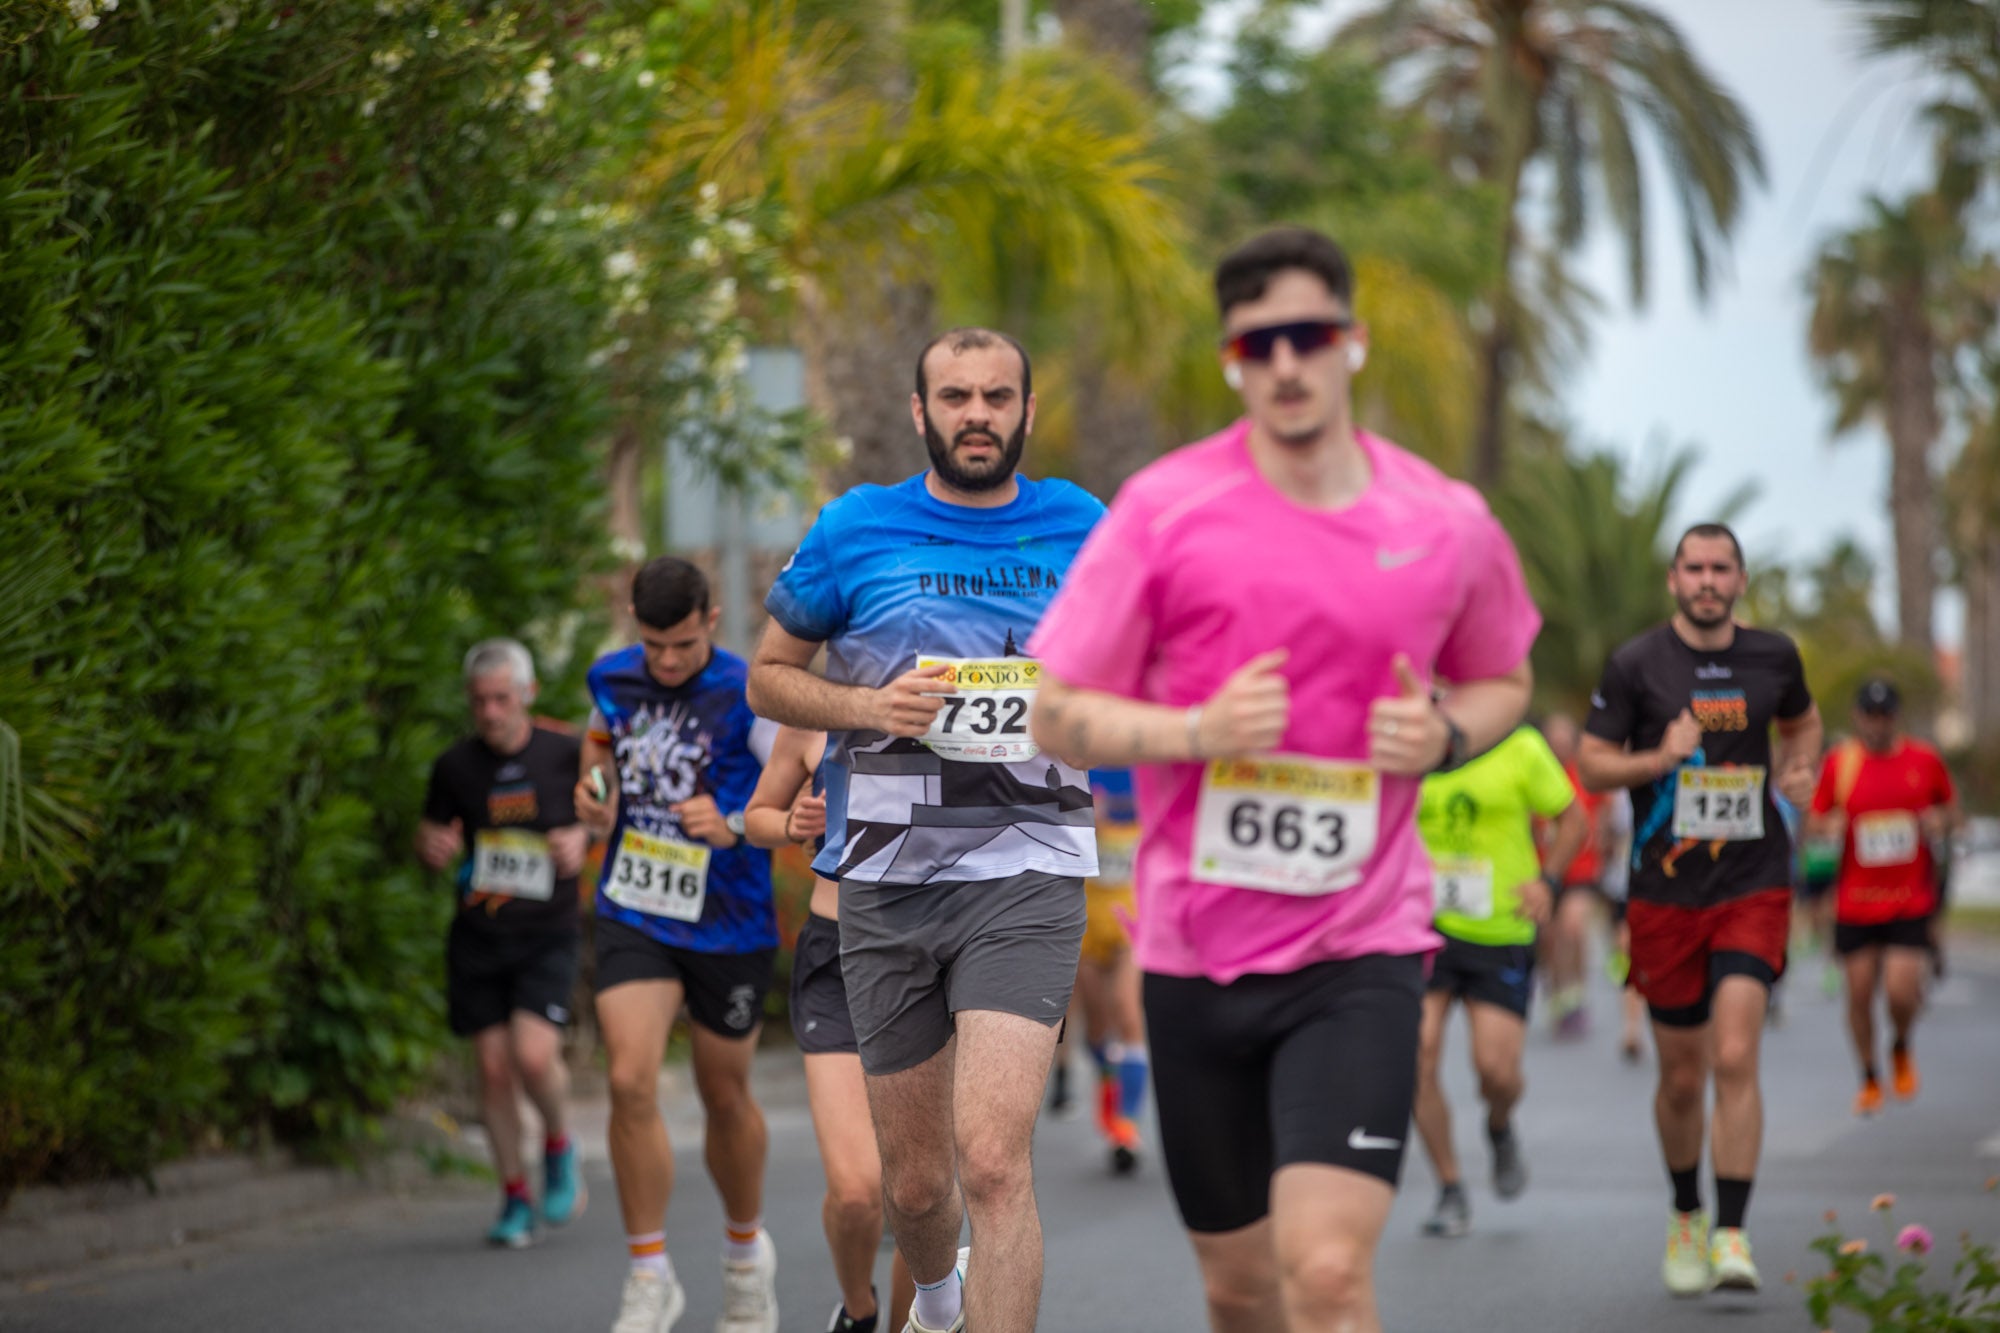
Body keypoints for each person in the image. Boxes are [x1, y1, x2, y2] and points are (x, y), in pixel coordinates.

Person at [1027, 225, 1540, 1333]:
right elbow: (1053, 711)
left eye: (1308, 335)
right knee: (1242, 1290)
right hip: (1195, 956)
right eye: (1257, 345)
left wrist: (1445, 734)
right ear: (1232, 361)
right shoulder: (1164, 510)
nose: (1287, 363)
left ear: (1353, 341)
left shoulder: (1444, 521)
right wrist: (1195, 728)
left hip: (1361, 948)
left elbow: (1504, 675)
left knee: (1327, 1273)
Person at [746, 327, 1105, 1333]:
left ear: (1026, 410)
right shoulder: (856, 527)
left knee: (991, 1161)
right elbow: (767, 677)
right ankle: (937, 1306)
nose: (976, 414)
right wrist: (871, 707)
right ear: (920, 412)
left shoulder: (1083, 526)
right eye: (955, 396)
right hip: (887, 879)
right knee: (913, 1186)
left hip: (1028, 867)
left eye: (996, 396)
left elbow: (1150, 656)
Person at [1577, 523, 1821, 1298]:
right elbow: (1591, 761)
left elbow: (1803, 721)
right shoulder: (1636, 663)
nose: (1708, 580)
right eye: (1695, 568)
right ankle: (1687, 1211)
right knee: (1681, 1077)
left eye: (1721, 568)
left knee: (1735, 1052)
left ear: (1741, 579)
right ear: (1674, 579)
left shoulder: (1774, 656)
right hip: (1665, 894)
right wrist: (1659, 757)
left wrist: (1802, 765)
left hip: (1752, 882)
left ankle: (1732, 1233)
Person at [574, 557, 781, 1333]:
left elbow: (795, 780)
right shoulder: (611, 677)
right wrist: (595, 792)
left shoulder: (747, 689)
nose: (666, 662)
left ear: (712, 621)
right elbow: (599, 744)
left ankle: (744, 1258)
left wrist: (733, 821)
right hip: (637, 905)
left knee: (723, 1093)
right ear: (636, 624)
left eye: (683, 645)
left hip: (730, 917)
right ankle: (649, 1272)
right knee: (629, 1078)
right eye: (654, 645)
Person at [415, 638, 590, 1248]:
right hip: (479, 938)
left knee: (534, 1057)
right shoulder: (454, 767)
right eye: (479, 701)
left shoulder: (566, 754)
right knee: (492, 1070)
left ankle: (559, 1145)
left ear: (527, 695)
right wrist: (432, 847)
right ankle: (515, 1196)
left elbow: (607, 812)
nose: (490, 712)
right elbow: (431, 833)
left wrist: (582, 837)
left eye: (501, 699)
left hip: (547, 933)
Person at [742, 724, 916, 1333]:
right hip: (836, 953)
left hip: (931, 958)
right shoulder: (812, 722)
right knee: (857, 1190)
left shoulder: (957, 704)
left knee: (918, 1193)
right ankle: (858, 1311)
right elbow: (756, 817)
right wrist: (791, 823)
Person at [1412, 725, 1585, 1238]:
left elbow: (1573, 820)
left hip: (1499, 928)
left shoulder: (1518, 745)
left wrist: (1548, 881)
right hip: (1420, 926)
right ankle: (1450, 1187)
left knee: (1496, 1071)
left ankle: (1499, 1124)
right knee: (1416, 1056)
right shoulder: (1414, 739)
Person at [1806, 679, 1960, 1116]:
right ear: (1858, 717)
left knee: (1900, 991)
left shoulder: (1924, 760)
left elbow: (1953, 811)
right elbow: (1814, 821)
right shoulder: (1842, 763)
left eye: (1885, 715)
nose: (1877, 723)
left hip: (1909, 898)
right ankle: (1870, 1075)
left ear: (1896, 717)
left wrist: (1939, 820)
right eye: (1870, 715)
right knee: (1858, 994)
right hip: (1855, 902)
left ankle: (1901, 1045)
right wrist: (1829, 826)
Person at [1075, 768, 1150, 1175]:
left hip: (1130, 917)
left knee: (1127, 1010)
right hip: (1087, 920)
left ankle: (1125, 1127)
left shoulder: (1145, 765)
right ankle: (1111, 1083)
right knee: (1097, 1031)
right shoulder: (1079, 764)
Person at [1538, 713, 1610, 1039]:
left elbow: (1604, 817)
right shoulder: (1535, 770)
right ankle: (1557, 993)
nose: (1559, 745)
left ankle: (1576, 993)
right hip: (1544, 870)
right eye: (1553, 739)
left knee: (1574, 926)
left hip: (1581, 868)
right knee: (1549, 937)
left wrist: (1605, 852)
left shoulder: (1584, 774)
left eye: (1564, 738)